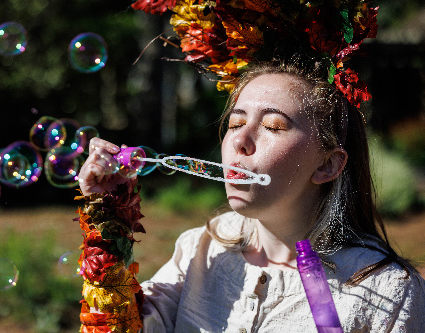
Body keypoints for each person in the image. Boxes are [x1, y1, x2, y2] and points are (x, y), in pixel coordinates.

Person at [77, 59, 425, 332]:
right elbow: (119, 327)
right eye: (235, 123)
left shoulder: (389, 291)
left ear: (327, 165)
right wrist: (108, 217)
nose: (240, 141)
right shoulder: (200, 250)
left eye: (273, 126)